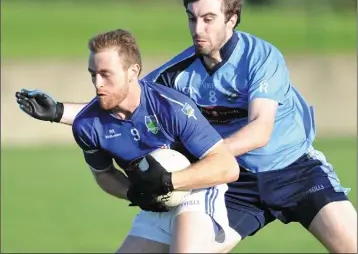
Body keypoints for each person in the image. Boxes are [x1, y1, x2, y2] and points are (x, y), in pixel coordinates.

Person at [16, 0, 357, 253]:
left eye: (209, 19)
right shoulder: (176, 73)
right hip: (236, 185)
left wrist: (198, 164)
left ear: (232, 19)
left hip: (295, 171)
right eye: (192, 18)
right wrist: (59, 111)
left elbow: (260, 130)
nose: (198, 29)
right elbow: (123, 98)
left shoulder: (260, 58)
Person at [16, 28, 242, 253]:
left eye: (106, 74)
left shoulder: (171, 107)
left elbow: (227, 166)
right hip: (157, 205)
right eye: (92, 73)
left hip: (196, 194)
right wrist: (133, 193)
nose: (97, 83)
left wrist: (170, 181)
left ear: (133, 71)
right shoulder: (86, 124)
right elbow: (104, 175)